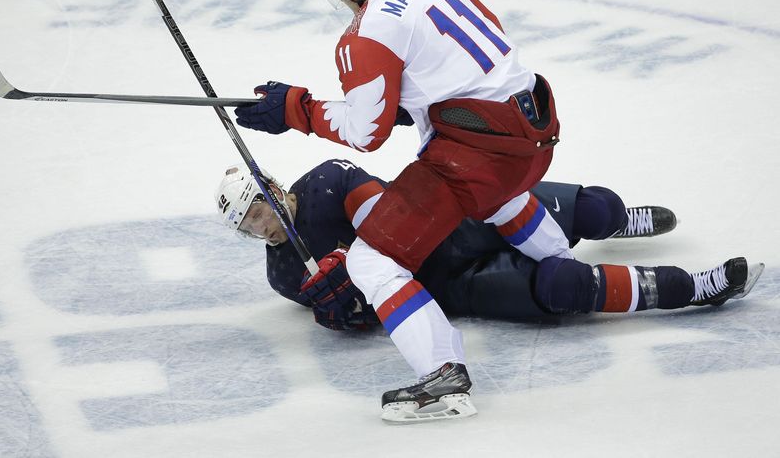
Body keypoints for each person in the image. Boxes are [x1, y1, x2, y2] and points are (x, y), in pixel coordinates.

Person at [231, 0, 759, 423]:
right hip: (534, 131)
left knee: (374, 259)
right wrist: (400, 103)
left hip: (475, 153)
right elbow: (466, 63)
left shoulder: (363, 34)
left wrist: (294, 109)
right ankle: (586, 265)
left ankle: (442, 377)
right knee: (508, 210)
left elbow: (365, 132)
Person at [216, 160, 763, 421]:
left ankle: (611, 223)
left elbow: (389, 215)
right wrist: (349, 311)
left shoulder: (327, 181)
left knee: (597, 207)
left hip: (456, 223)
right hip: (450, 286)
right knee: (563, 282)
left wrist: (350, 265)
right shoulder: (283, 273)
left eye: (258, 211)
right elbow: (369, 314)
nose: (261, 228)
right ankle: (692, 287)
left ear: (272, 186)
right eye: (248, 227)